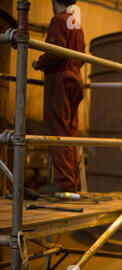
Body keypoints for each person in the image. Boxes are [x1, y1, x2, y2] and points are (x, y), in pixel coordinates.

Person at [32, 0, 85, 193]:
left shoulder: (58, 21)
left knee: (58, 130)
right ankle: (71, 181)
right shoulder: (76, 23)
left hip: (60, 81)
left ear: (54, 1)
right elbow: (82, 54)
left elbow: (55, 53)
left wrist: (39, 63)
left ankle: (63, 183)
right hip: (75, 79)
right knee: (70, 130)